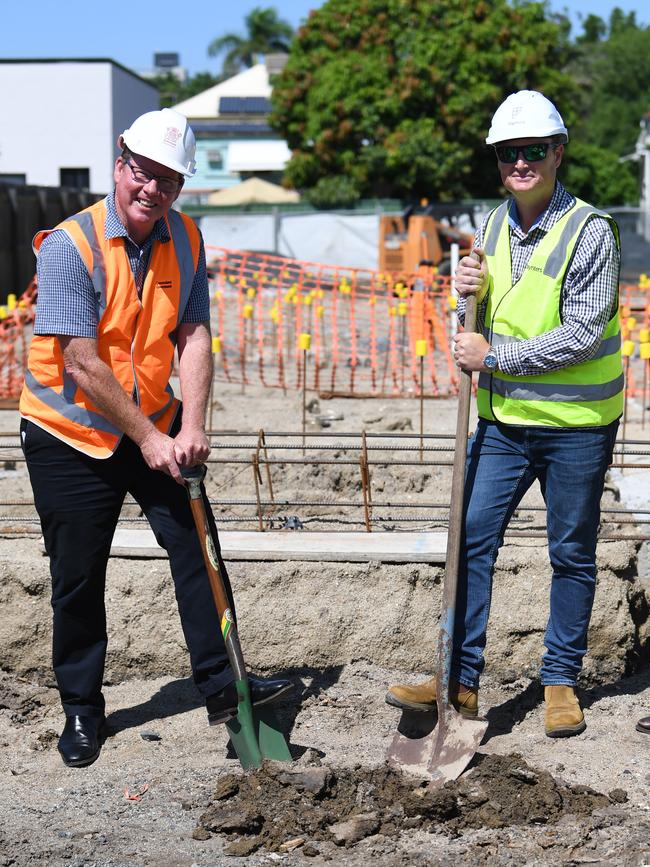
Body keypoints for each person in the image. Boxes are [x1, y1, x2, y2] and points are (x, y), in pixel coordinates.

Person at [20, 108, 292, 768]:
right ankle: (82, 707)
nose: (153, 190)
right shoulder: (70, 244)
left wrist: (191, 426)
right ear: (121, 164)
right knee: (78, 575)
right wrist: (149, 437)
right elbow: (83, 360)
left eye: (169, 180)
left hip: (153, 419)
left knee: (197, 546)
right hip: (70, 432)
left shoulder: (186, 239)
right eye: (144, 174)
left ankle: (226, 691)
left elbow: (194, 335)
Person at [386, 91, 623, 738]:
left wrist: (493, 355)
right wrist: (458, 300)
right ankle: (458, 680)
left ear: (558, 152)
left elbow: (578, 333)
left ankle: (560, 681)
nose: (521, 162)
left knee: (570, 551)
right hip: (503, 423)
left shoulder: (591, 231)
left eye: (534, 150)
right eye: (509, 153)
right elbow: (475, 326)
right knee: (469, 538)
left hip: (575, 426)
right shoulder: (489, 228)